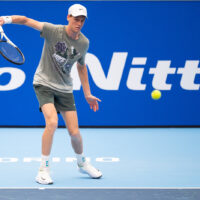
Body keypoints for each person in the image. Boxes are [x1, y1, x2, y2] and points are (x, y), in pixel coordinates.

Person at [0, 4, 102, 184]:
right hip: (43, 84)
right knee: (52, 122)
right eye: (76, 19)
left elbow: (81, 66)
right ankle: (43, 169)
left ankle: (82, 162)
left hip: (65, 89)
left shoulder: (84, 43)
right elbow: (25, 20)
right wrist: (5, 19)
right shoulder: (53, 31)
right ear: (68, 17)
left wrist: (87, 94)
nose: (79, 23)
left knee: (75, 133)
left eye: (82, 20)